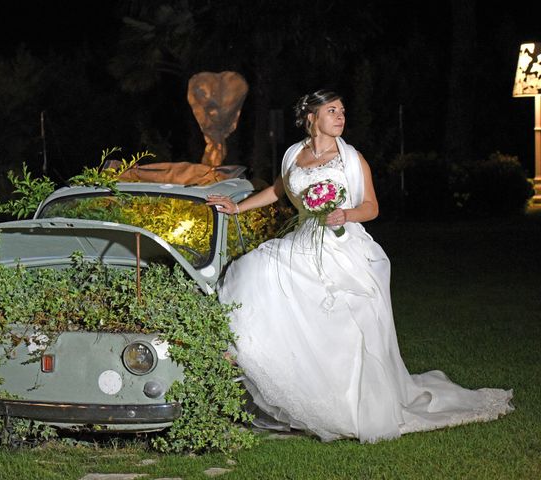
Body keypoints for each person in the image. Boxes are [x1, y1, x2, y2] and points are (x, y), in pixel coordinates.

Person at [206, 89, 513, 443]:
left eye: (343, 111)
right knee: (255, 272)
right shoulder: (293, 154)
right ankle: (300, 389)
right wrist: (238, 207)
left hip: (343, 244)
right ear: (311, 117)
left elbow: (371, 206)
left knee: (348, 321)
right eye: (332, 111)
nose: (340, 117)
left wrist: (346, 214)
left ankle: (349, 405)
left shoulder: (351, 159)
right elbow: (279, 189)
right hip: (304, 242)